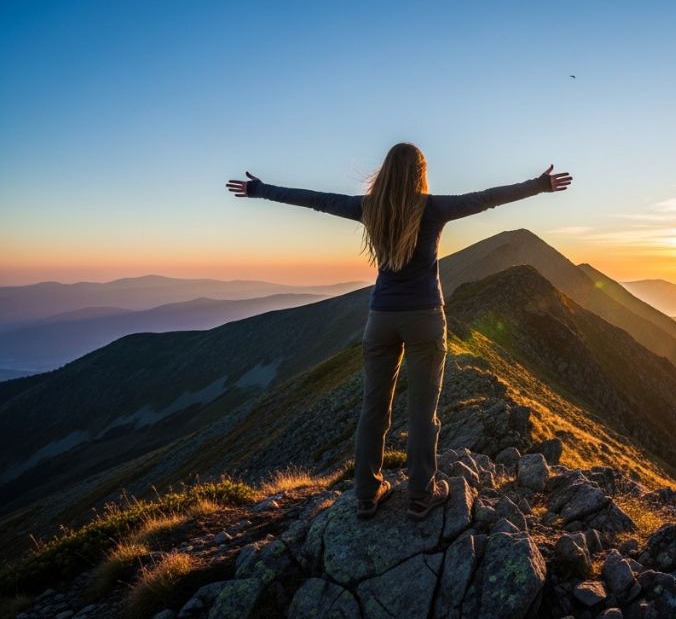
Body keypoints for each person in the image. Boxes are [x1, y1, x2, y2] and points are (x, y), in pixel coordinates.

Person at [225, 143, 572, 519]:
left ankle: (366, 494)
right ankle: (422, 495)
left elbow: (315, 199)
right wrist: (539, 185)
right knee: (424, 412)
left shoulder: (368, 207)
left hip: (381, 320)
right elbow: (487, 198)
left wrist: (261, 190)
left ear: (387, 170)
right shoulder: (434, 207)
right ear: (420, 172)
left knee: (373, 409)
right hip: (424, 318)